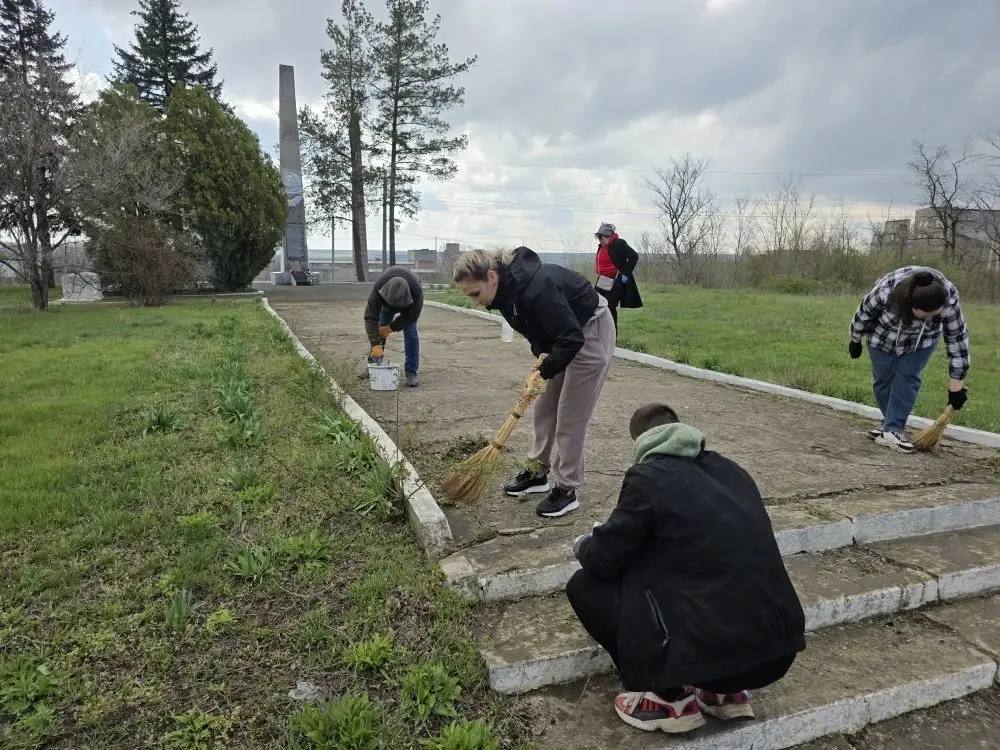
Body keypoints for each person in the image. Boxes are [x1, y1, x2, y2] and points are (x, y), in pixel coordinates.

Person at [566, 403, 805, 735]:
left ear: (640, 442)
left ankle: (666, 698)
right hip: (779, 651)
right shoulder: (731, 470)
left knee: (584, 586)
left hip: (716, 657)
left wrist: (585, 544)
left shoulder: (647, 477)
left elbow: (604, 560)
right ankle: (724, 696)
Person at [452, 247, 615, 518]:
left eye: (475, 294)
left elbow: (572, 338)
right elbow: (534, 330)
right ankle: (538, 472)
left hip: (590, 331)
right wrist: (541, 362)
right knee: (544, 408)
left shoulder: (539, 287)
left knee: (570, 417)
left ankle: (567, 488)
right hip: (562, 337)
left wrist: (548, 368)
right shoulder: (503, 296)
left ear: (491, 277)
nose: (475, 302)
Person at [849, 267, 970, 453]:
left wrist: (956, 387)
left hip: (921, 342)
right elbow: (864, 313)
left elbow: (957, 339)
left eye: (934, 314)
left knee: (907, 378)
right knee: (883, 381)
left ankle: (892, 430)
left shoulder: (949, 299)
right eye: (924, 314)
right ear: (909, 304)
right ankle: (888, 422)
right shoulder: (887, 290)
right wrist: (855, 339)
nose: (930, 318)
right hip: (882, 337)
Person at [364, 266, 423, 387]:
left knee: (411, 334)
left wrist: (391, 328)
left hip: (409, 306)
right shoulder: (378, 289)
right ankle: (373, 366)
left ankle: (411, 372)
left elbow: (411, 317)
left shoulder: (416, 291)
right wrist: (375, 344)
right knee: (379, 331)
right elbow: (370, 318)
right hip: (386, 304)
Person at [594, 222, 642, 331]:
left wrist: (625, 274)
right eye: (598, 238)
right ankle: (600, 333)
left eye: (601, 237)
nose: (600, 240)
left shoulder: (619, 243)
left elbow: (634, 256)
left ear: (608, 235)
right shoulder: (602, 246)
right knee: (595, 304)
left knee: (610, 308)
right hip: (602, 281)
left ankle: (612, 338)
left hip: (616, 281)